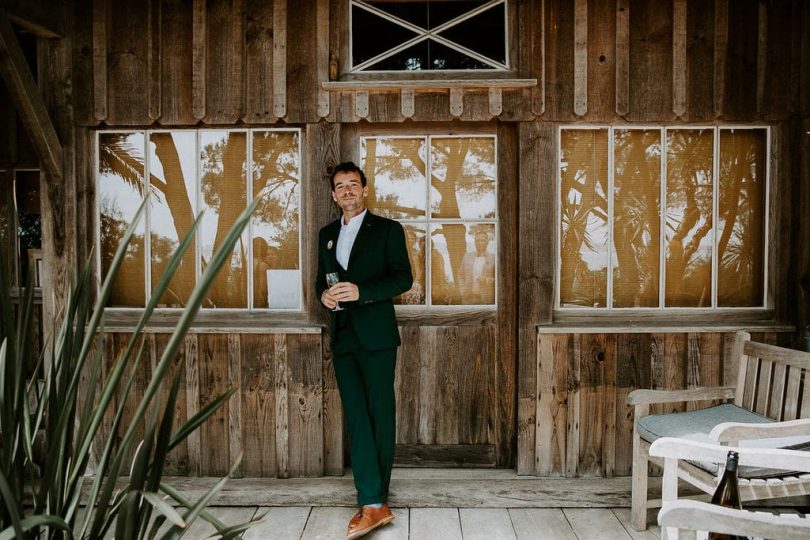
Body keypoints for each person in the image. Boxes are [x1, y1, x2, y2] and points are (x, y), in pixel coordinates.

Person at [316, 161, 413, 539]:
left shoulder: (388, 230)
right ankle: (372, 500)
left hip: (376, 336)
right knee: (356, 417)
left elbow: (403, 277)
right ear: (334, 195)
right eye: (340, 187)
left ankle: (374, 501)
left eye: (353, 184)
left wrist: (363, 292)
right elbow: (319, 281)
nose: (347, 191)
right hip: (343, 338)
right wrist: (324, 296)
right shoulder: (326, 234)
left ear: (365, 189)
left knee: (379, 414)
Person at [458, 227, 495, 304]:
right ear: (474, 242)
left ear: (487, 242)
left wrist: (486, 280)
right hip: (468, 299)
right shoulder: (467, 256)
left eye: (482, 240)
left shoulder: (494, 258)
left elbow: (499, 279)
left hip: (486, 300)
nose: (480, 243)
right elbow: (460, 275)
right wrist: (462, 290)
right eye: (477, 240)